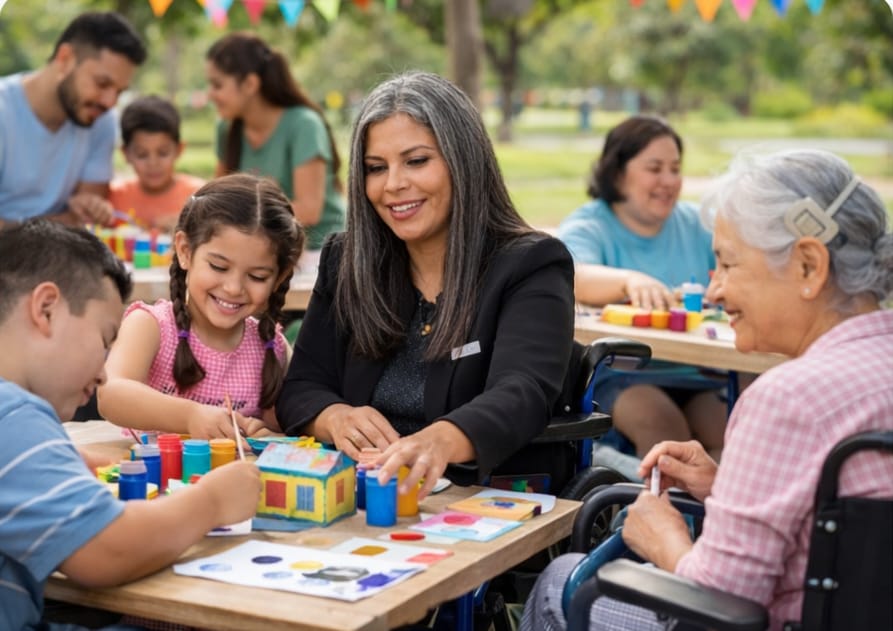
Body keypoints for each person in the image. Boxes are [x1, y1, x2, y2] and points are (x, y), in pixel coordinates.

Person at [522, 149, 893, 631]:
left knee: (561, 579)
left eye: (727, 264)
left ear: (808, 266)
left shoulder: (789, 399)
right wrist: (728, 488)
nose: (713, 291)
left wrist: (663, 539)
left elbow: (721, 599)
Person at [275, 71, 576, 500]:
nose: (394, 184)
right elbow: (303, 387)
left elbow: (522, 392)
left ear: (462, 160)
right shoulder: (347, 261)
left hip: (482, 504)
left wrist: (438, 441)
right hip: (366, 502)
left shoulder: (531, 263)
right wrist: (335, 417)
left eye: (416, 161)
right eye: (376, 168)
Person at [0, 218, 261, 631]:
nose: (104, 372)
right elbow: (107, 552)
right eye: (106, 340)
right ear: (45, 308)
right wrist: (212, 501)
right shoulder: (13, 414)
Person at [558, 115, 725, 460]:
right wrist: (629, 280)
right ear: (618, 172)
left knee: (732, 432)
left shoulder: (696, 224)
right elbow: (572, 274)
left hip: (694, 372)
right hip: (620, 374)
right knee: (664, 427)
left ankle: (711, 512)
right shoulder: (591, 224)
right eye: (655, 168)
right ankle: (651, 510)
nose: (669, 180)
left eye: (675, 169)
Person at [98, 173, 302, 440]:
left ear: (279, 278)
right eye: (218, 266)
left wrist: (264, 431)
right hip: (152, 479)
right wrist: (190, 417)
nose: (233, 287)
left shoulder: (270, 346)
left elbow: (287, 419)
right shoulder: (152, 325)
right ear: (184, 250)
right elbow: (110, 394)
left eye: (257, 276)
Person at [205, 32, 345, 261]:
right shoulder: (227, 129)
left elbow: (309, 210)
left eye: (217, 85)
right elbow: (219, 198)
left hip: (320, 251)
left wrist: (239, 214)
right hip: (262, 248)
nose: (210, 94)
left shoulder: (303, 125)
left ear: (250, 84)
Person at [0, 12, 146, 228]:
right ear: (65, 59)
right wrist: (59, 224)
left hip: (60, 255)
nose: (110, 102)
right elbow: (70, 225)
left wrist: (85, 212)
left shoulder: (100, 119)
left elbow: (83, 221)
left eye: (119, 91)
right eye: (102, 83)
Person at [108, 95, 205, 232]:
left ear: (179, 150)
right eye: (142, 155)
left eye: (163, 153)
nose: (153, 163)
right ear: (126, 154)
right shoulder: (113, 199)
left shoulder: (198, 198)